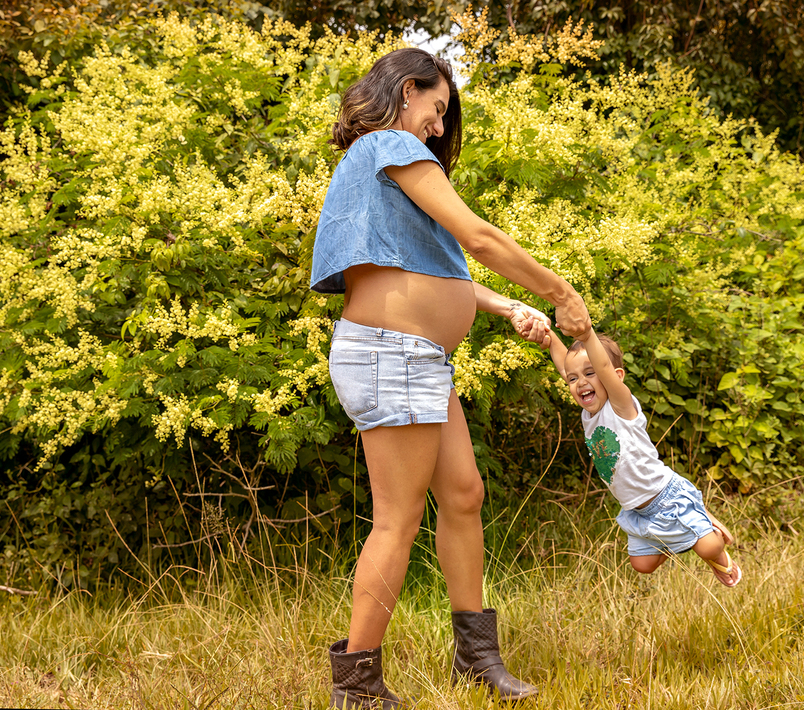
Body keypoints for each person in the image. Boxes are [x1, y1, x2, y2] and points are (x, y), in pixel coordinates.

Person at [310, 47, 591, 708]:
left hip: (416, 356)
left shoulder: (378, 164)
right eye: (436, 109)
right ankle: (356, 687)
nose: (438, 127)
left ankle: (477, 659)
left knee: (464, 493)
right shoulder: (388, 145)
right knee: (398, 520)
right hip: (392, 351)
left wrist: (500, 303)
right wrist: (558, 290)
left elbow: (418, 266)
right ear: (408, 91)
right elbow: (478, 237)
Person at [539, 327, 743, 586]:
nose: (580, 383)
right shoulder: (588, 415)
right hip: (637, 510)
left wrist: (587, 333)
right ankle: (677, 538)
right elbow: (564, 365)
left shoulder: (621, 405)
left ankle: (708, 531)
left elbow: (603, 367)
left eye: (590, 373)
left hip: (667, 497)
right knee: (642, 565)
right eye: (573, 379)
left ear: (616, 377)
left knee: (708, 548)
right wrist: (549, 338)